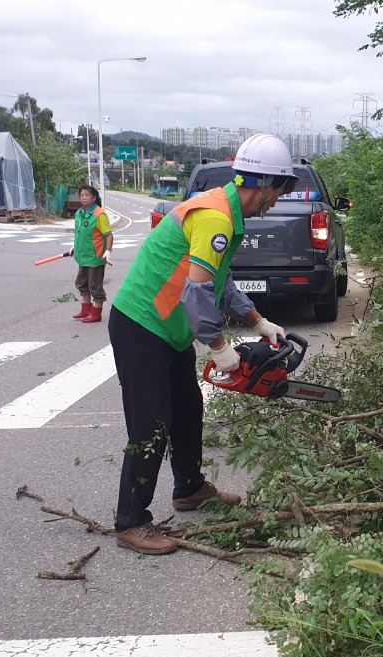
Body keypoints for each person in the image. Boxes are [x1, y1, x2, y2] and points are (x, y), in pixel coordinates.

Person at [107, 133, 297, 555]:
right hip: (142, 325)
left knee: (189, 410)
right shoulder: (216, 216)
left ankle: (189, 487)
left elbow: (220, 282)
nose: (279, 200)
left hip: (169, 328)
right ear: (267, 185)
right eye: (281, 190)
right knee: (151, 424)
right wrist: (218, 346)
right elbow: (196, 292)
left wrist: (259, 321)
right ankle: (131, 521)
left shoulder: (228, 211)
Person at [71, 185, 114, 323]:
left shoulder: (99, 215)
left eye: (87, 195)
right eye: (82, 195)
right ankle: (86, 310)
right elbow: (80, 233)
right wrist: (74, 247)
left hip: (95, 257)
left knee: (95, 286)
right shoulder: (79, 213)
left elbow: (108, 235)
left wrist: (108, 251)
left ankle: (96, 314)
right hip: (83, 256)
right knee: (82, 283)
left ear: (94, 197)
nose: (84, 197)